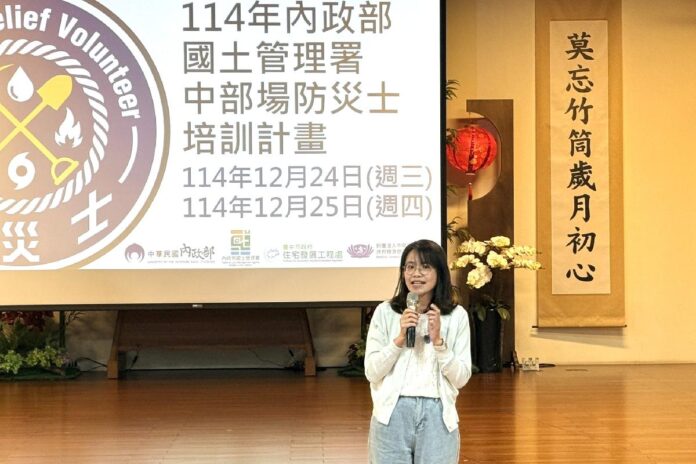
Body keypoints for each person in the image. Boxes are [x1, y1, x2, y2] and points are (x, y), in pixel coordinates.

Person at [365, 239, 472, 464]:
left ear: (439, 272)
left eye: (425, 266)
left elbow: (461, 378)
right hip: (392, 413)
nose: (416, 273)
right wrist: (399, 340)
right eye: (410, 266)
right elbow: (372, 372)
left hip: (438, 415)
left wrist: (439, 342)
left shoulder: (456, 316)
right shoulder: (385, 312)